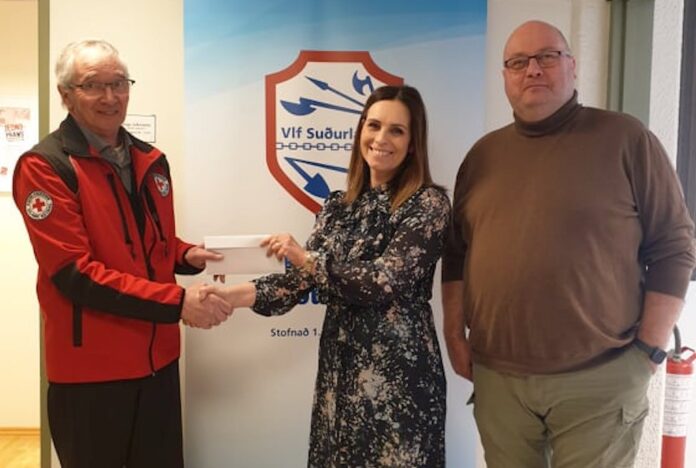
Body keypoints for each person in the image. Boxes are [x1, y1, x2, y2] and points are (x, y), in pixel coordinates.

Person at [441, 20, 696, 468]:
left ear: (572, 66)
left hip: (600, 378)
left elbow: (674, 246)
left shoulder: (626, 140)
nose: (533, 70)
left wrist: (649, 351)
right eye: (518, 62)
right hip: (500, 382)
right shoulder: (482, 157)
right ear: (505, 76)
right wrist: (453, 334)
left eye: (547, 56)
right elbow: (457, 253)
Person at [203, 85, 450, 467]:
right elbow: (296, 282)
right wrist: (228, 297)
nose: (381, 139)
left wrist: (305, 258)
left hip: (399, 382)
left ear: (413, 143)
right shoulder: (338, 206)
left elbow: (383, 280)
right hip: (341, 375)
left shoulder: (428, 203)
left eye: (397, 130)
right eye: (374, 125)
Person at [12, 40, 231, 468]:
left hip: (159, 365)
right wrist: (178, 302)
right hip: (92, 375)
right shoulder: (44, 167)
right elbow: (75, 273)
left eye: (119, 84)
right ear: (66, 94)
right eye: (93, 85)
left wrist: (188, 255)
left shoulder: (151, 159)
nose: (110, 97)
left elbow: (146, 245)